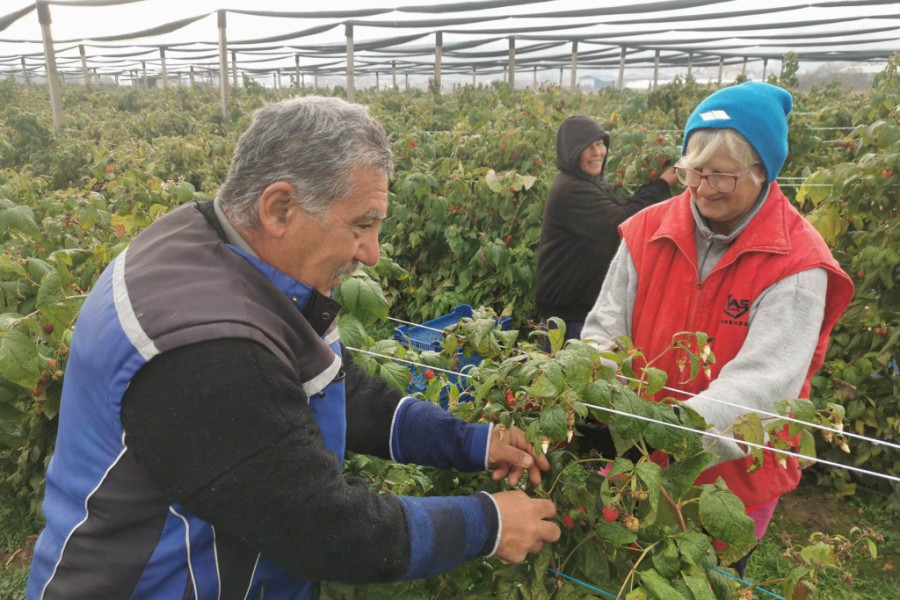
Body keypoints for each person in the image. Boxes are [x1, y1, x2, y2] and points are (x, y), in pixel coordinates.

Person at [27, 96, 560, 600]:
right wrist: (489, 524)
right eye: (362, 225)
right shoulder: (208, 354)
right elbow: (326, 529)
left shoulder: (210, 252)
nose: (372, 253)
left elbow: (329, 384)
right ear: (279, 208)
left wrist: (470, 442)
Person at [580, 82, 854, 572]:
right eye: (693, 172)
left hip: (730, 484)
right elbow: (605, 327)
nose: (704, 189)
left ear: (763, 173)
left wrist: (668, 429)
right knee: (630, 570)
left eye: (722, 178)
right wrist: (601, 391)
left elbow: (762, 388)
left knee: (707, 577)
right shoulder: (647, 230)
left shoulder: (797, 263)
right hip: (639, 463)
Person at [534, 114, 678, 341]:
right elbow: (622, 223)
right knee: (571, 374)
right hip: (568, 318)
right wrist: (661, 185)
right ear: (572, 152)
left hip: (577, 310)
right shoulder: (572, 189)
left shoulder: (589, 182)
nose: (597, 152)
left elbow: (621, 211)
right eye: (587, 146)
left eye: (600, 144)